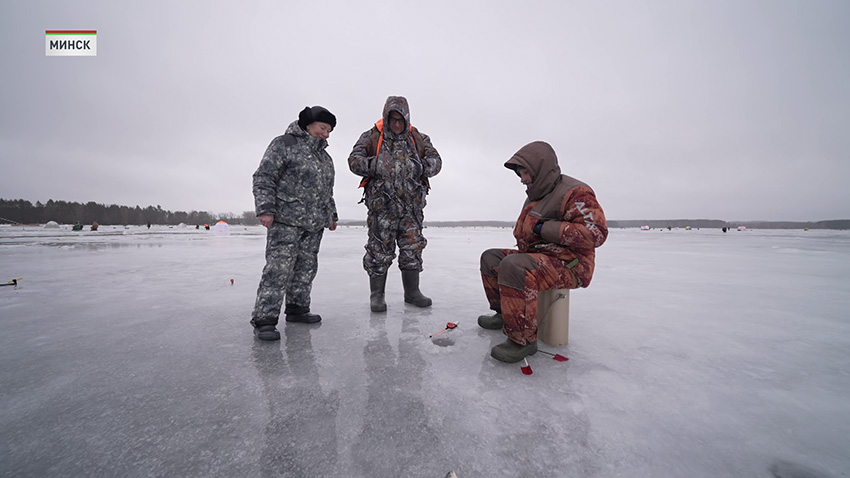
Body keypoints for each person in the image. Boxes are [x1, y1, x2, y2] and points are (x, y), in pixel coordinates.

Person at [478, 141, 608, 363]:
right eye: (520, 173)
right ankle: (504, 315)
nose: (522, 179)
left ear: (539, 169)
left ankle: (523, 340)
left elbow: (596, 233)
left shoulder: (575, 192)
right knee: (491, 258)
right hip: (541, 257)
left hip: (571, 264)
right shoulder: (536, 194)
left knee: (514, 266)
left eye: (525, 172)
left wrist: (544, 228)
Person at [250, 105, 339, 341]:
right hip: (285, 220)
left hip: (314, 223)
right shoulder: (284, 144)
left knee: (306, 268)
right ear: (308, 124)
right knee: (278, 270)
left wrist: (332, 214)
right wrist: (265, 209)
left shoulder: (324, 157)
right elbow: (264, 177)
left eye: (329, 130)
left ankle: (297, 309)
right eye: (323, 128)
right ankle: (264, 320)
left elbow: (326, 190)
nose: (326, 134)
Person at [348, 96, 442, 312]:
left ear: (407, 118)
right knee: (378, 251)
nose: (397, 124)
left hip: (412, 209)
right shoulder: (372, 136)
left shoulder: (418, 138)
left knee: (412, 248)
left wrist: (421, 167)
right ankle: (377, 296)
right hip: (382, 209)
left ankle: (412, 293)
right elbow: (353, 160)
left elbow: (437, 163)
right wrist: (375, 164)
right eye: (393, 120)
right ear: (386, 118)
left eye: (401, 120)